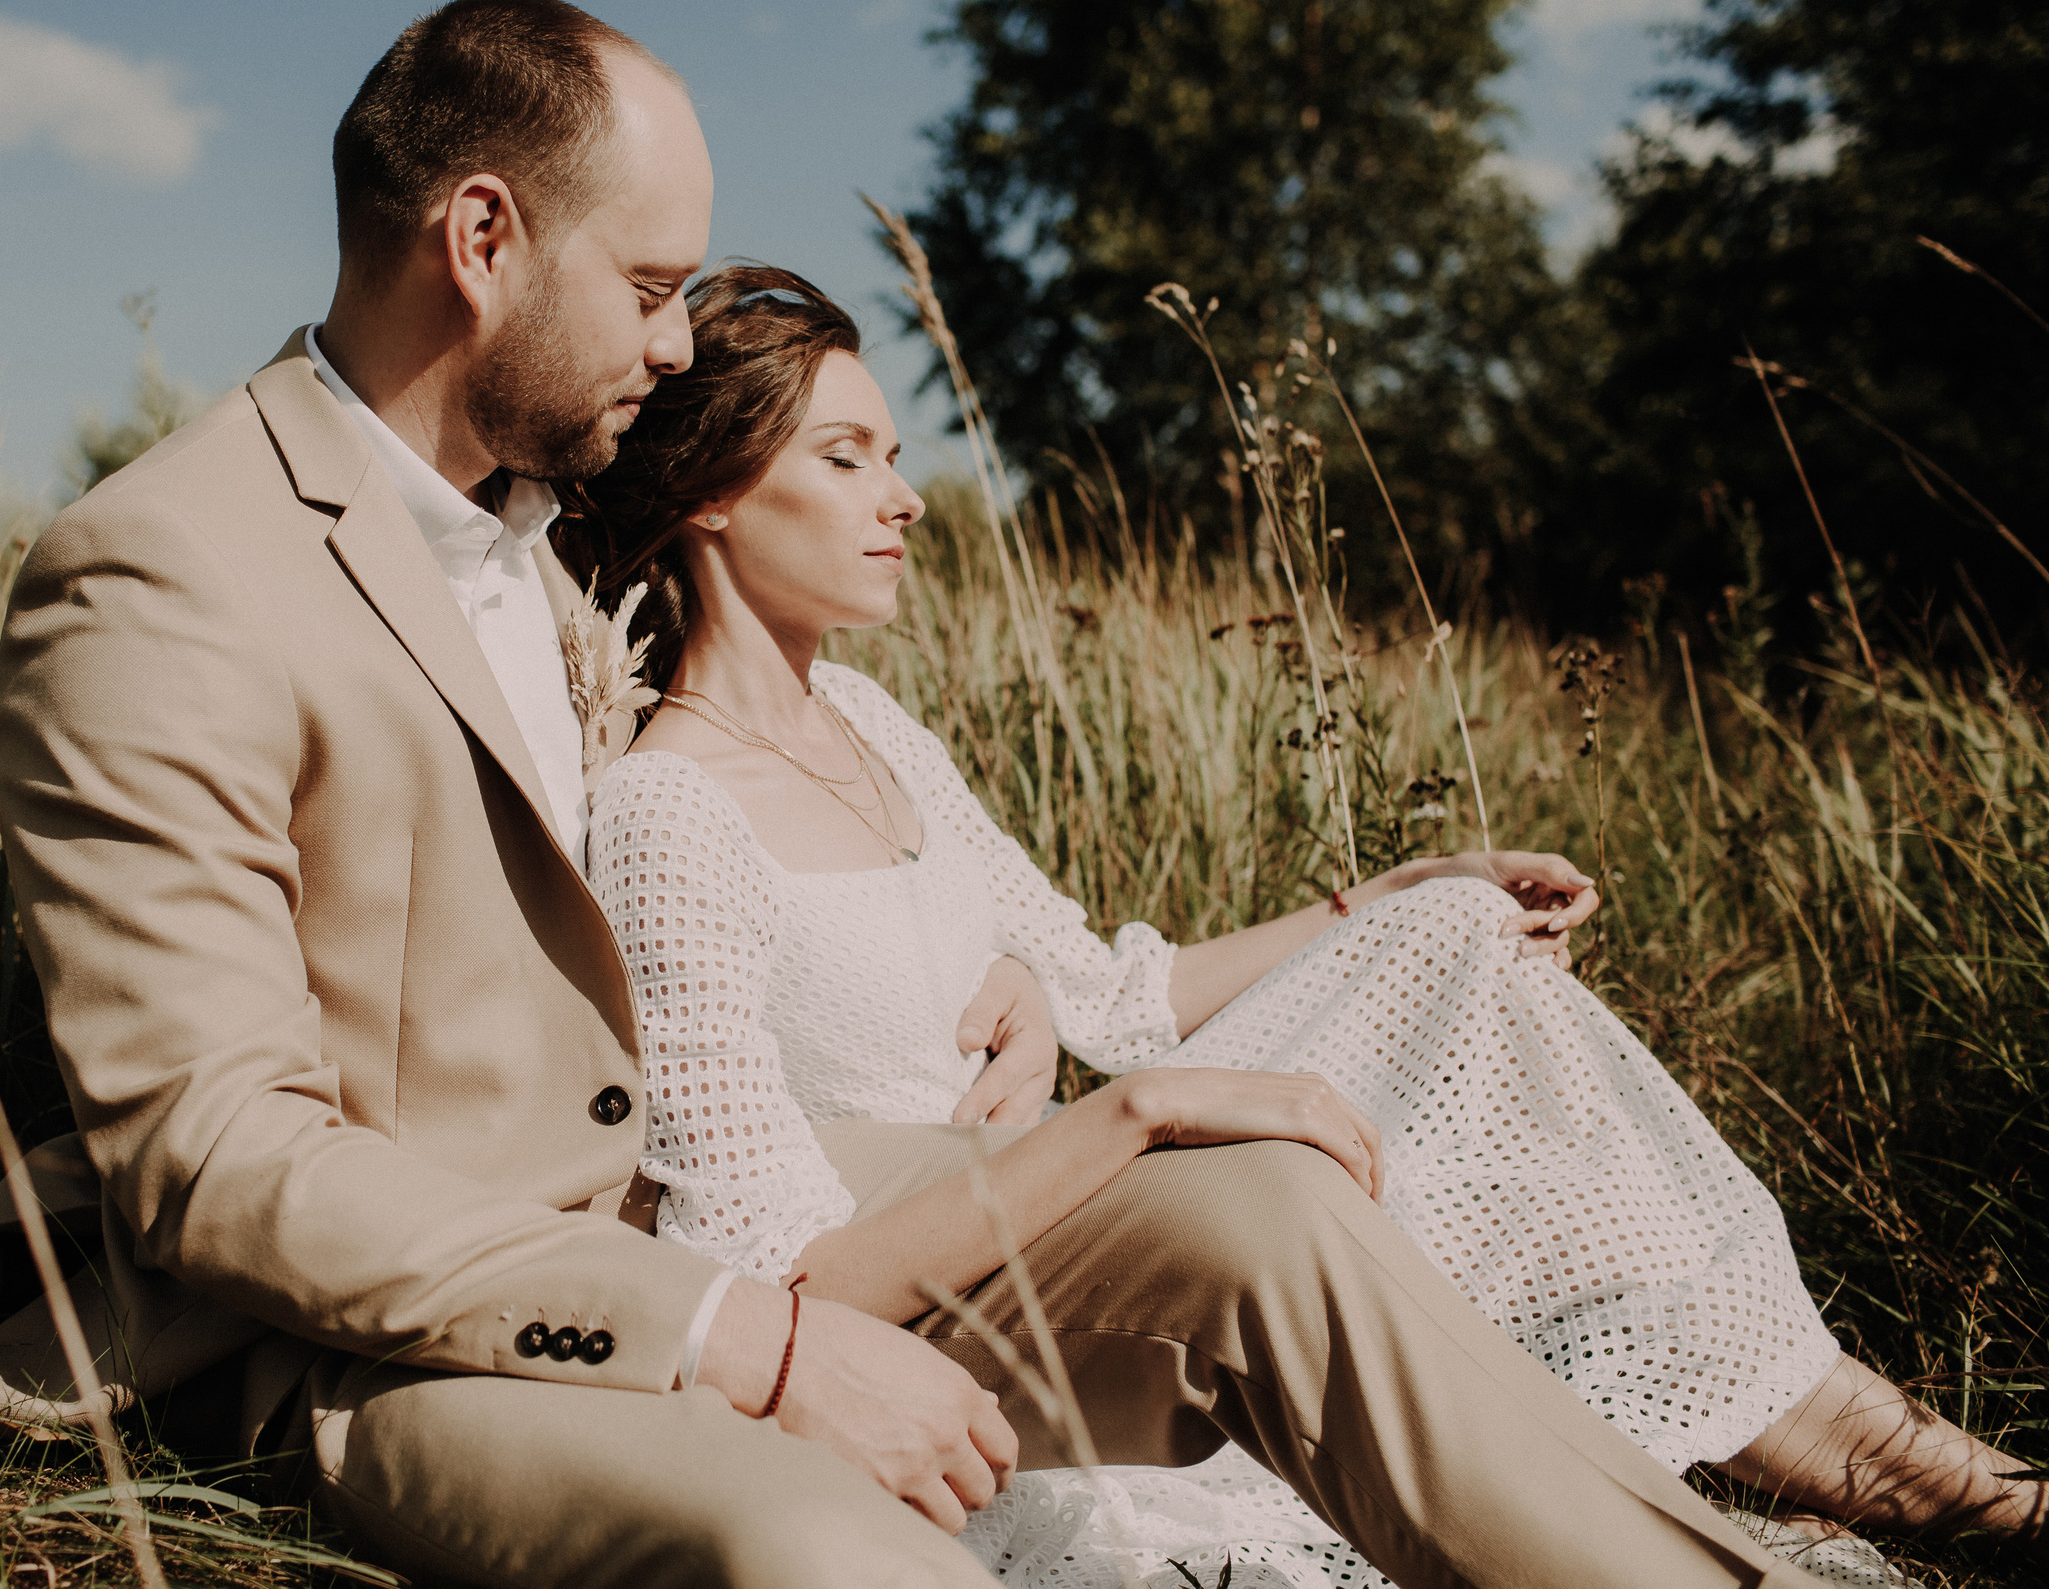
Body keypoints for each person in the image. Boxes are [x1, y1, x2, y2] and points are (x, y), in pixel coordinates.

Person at [0, 0, 1835, 1589]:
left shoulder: (537, 552)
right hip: (408, 1340)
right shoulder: (164, 572)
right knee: (831, 1551)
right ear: (476, 237)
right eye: (645, 283)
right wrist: (755, 1340)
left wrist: (1051, 1027)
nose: (668, 336)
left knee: (1264, 1212)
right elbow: (214, 1162)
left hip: (738, 1203)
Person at [560, 262, 2049, 1589]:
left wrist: (1400, 889)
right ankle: (1881, 1457)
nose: (907, 495)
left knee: (1456, 945)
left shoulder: (874, 727)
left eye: (896, 453)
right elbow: (776, 1281)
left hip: (1069, 1195)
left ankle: (1847, 1432)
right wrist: (1138, 1121)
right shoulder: (670, 813)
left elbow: (1114, 990)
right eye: (847, 457)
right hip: (982, 1294)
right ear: (709, 494)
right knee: (1347, 1104)